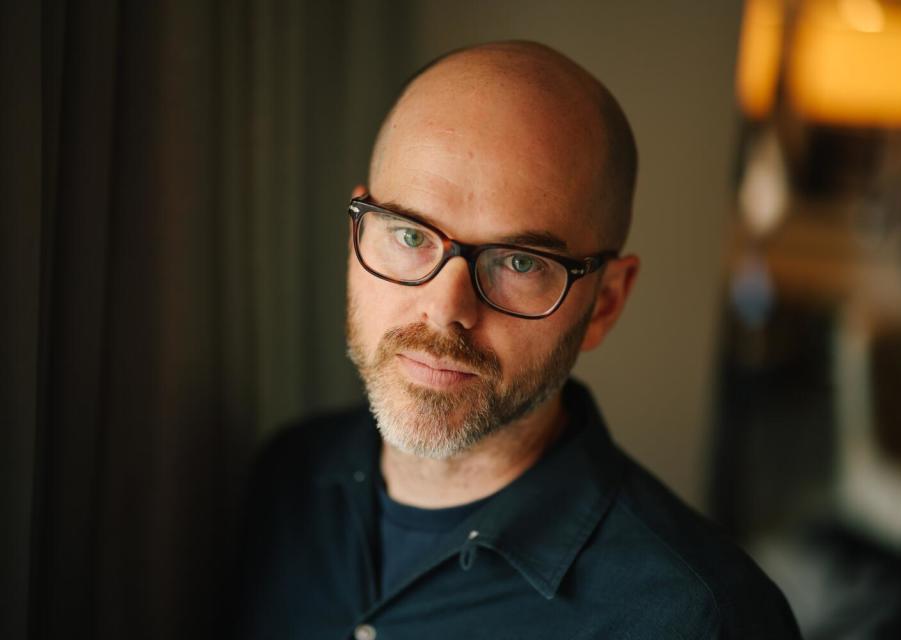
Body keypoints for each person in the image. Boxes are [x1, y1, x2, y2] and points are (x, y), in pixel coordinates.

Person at [235, 41, 801, 639]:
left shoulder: (699, 621)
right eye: (408, 235)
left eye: (520, 262)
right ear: (358, 234)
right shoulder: (290, 478)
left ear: (605, 301)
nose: (445, 309)